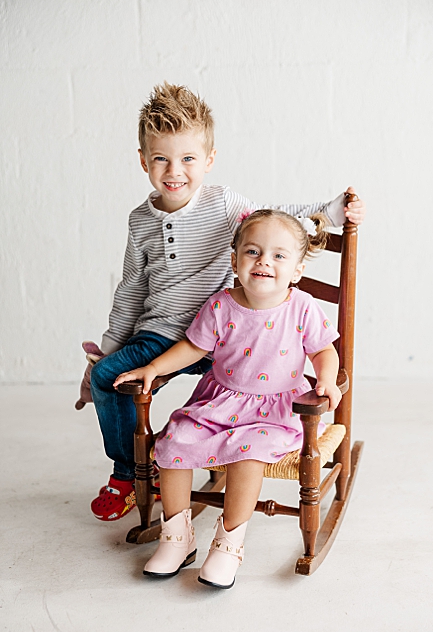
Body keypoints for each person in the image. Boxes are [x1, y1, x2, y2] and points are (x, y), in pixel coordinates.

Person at [82, 82, 365, 522]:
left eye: (189, 159)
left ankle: (225, 445)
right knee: (108, 376)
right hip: (160, 337)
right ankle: (132, 472)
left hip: (222, 337)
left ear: (209, 160)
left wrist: (330, 210)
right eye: (162, 159)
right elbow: (132, 288)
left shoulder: (224, 204)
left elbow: (275, 220)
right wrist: (110, 348)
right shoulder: (140, 221)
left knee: (226, 387)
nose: (175, 170)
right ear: (144, 161)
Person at [113, 208, 342, 589]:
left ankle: (228, 543)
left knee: (247, 454)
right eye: (252, 252)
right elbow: (192, 346)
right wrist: (153, 368)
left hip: (275, 411)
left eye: (279, 256)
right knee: (172, 442)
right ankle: (177, 534)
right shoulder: (221, 305)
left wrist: (328, 380)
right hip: (219, 404)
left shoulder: (301, 307)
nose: (264, 261)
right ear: (235, 261)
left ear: (297, 270)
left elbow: (324, 351)